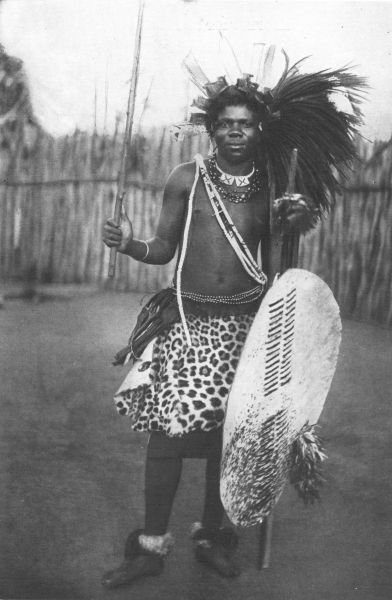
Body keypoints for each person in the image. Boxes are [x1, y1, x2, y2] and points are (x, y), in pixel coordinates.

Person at [101, 81, 317, 587]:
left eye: (244, 123)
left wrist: (294, 228)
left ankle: (210, 538)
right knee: (167, 439)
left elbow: (276, 274)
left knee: (228, 441)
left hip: (244, 330)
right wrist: (130, 244)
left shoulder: (270, 189)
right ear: (212, 128)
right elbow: (162, 247)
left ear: (258, 128)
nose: (235, 131)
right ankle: (150, 547)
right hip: (188, 324)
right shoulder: (187, 179)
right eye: (226, 123)